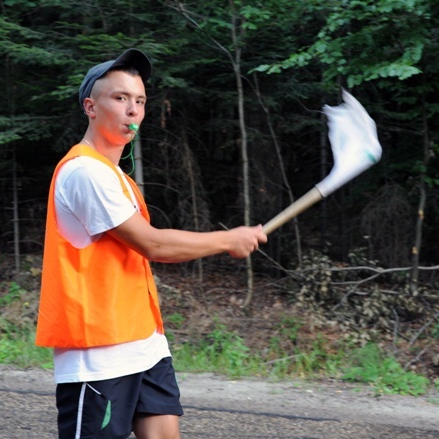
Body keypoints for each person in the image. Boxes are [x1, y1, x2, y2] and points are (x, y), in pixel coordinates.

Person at [35, 48, 267, 439]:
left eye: (139, 101)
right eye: (120, 98)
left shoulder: (117, 177)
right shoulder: (84, 171)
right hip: (98, 358)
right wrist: (228, 239)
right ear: (90, 107)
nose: (133, 110)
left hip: (144, 345)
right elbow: (153, 245)